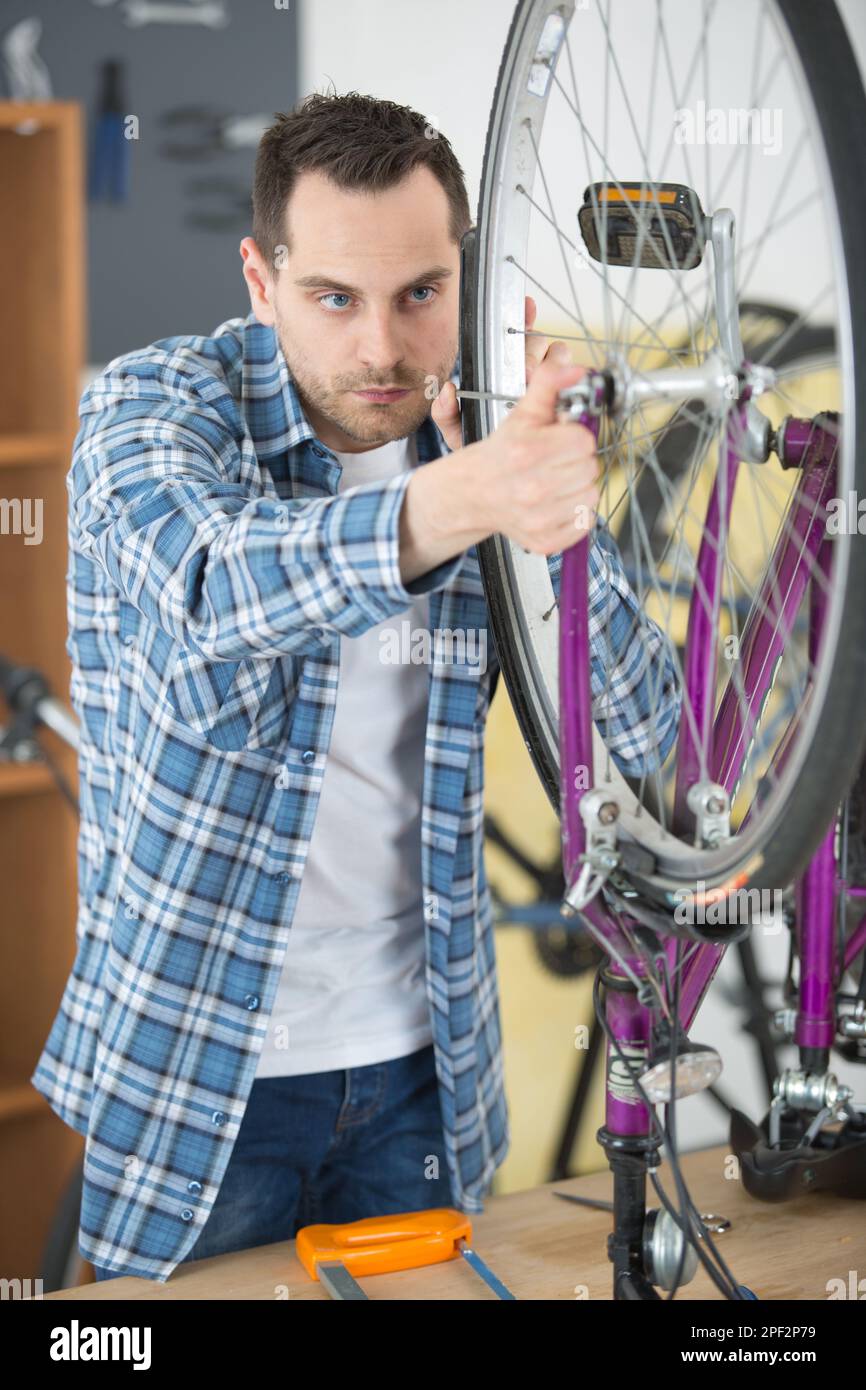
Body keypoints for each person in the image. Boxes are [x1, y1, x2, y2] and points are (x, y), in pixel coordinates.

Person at [31, 91, 680, 1283]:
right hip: (195, 1076)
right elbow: (211, 590)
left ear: (468, 282)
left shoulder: (481, 442)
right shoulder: (150, 408)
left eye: (420, 295)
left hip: (421, 1081)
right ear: (260, 278)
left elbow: (649, 733)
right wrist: (469, 501)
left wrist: (553, 514)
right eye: (334, 297)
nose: (380, 346)